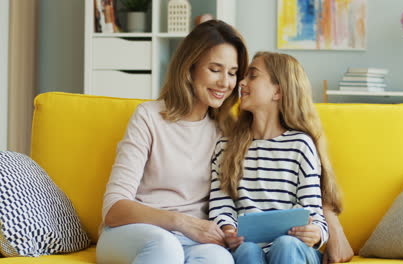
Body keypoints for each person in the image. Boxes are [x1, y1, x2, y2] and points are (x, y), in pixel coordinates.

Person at [95, 20, 248, 264]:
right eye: (215, 69)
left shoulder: (226, 131)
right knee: (165, 246)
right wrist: (182, 222)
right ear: (190, 67)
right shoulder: (148, 117)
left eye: (232, 73)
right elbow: (114, 209)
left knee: (220, 260)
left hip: (191, 241)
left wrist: (227, 231)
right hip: (132, 234)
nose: (225, 83)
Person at [209, 51, 346, 264]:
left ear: (277, 91)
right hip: (248, 249)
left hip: (293, 250)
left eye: (252, 76)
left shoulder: (300, 145)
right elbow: (221, 206)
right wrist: (228, 231)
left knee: (285, 245)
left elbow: (314, 212)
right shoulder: (225, 147)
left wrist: (316, 233)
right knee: (246, 251)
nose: (241, 82)